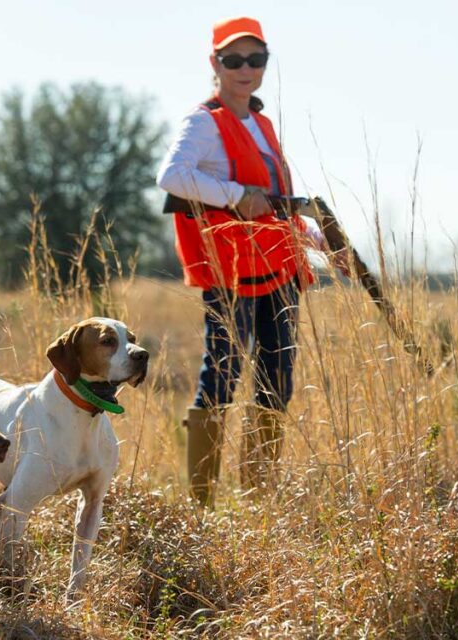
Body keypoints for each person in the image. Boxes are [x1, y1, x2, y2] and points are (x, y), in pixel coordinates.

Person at [157, 16, 319, 508]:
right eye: (233, 60)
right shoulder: (204, 121)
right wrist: (233, 195)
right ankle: (202, 505)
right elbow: (171, 176)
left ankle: (256, 501)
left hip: (279, 269)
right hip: (230, 272)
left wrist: (311, 235)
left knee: (278, 377)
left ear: (265, 64)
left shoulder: (263, 123)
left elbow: (274, 200)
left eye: (255, 59)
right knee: (223, 374)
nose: (244, 68)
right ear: (215, 64)